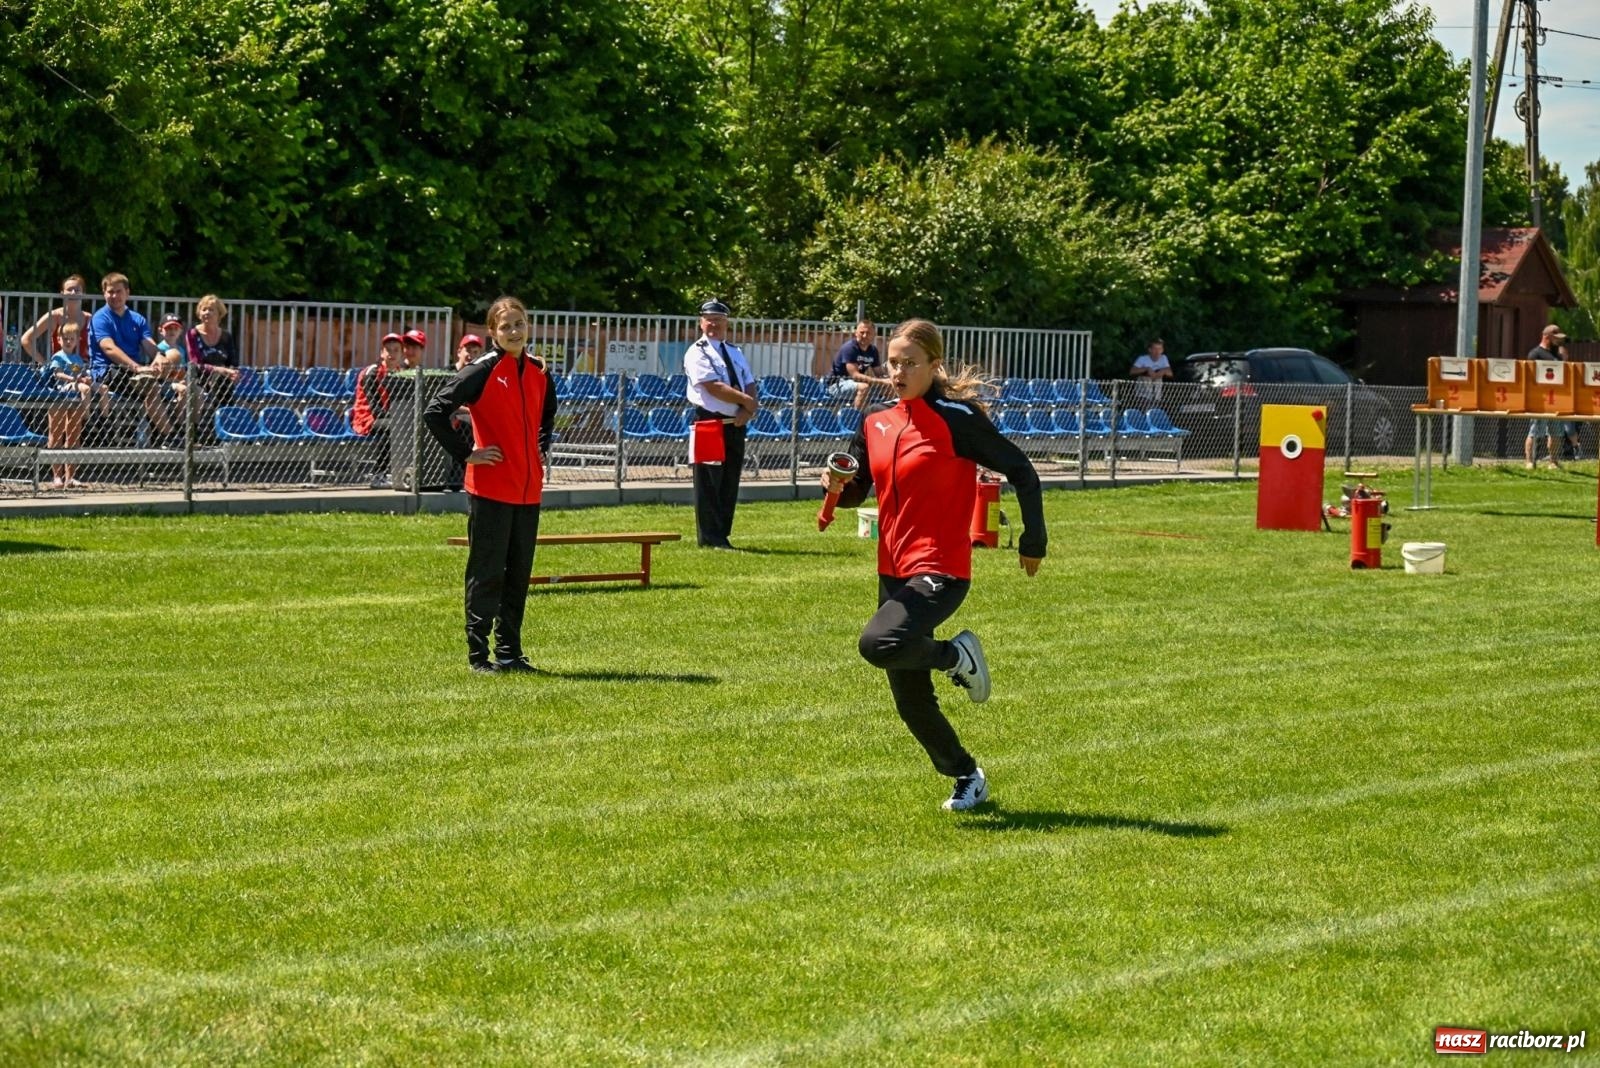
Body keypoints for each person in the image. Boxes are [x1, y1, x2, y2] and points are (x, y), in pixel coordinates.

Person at [826, 318, 1048, 812]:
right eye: (893, 362)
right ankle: (966, 775)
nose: (898, 371)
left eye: (910, 363)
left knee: (878, 643)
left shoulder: (957, 418)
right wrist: (836, 487)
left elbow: (1022, 471)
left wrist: (1034, 539)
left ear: (934, 366)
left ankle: (956, 658)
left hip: (941, 568)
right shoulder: (874, 421)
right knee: (908, 696)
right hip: (892, 568)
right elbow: (857, 492)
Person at [423, 296, 558, 673]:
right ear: (493, 332)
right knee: (487, 572)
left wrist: (541, 449)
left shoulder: (540, 370)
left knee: (518, 574)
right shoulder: (482, 369)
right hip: (490, 489)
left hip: (528, 490)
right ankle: (478, 655)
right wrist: (467, 453)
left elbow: (548, 416)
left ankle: (511, 653)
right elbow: (435, 411)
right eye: (506, 326)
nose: (514, 331)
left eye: (520, 323)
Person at [683, 299, 758, 549]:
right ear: (701, 322)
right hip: (709, 423)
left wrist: (747, 410)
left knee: (729, 482)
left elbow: (748, 381)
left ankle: (722, 534)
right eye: (709, 319)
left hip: (735, 424)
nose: (714, 323)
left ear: (727, 322)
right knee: (708, 483)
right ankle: (709, 537)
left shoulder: (734, 351)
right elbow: (713, 386)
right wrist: (746, 401)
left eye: (719, 319)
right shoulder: (697, 352)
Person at [88, 272, 176, 446]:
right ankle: (170, 437)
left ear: (127, 292)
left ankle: (172, 436)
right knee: (149, 386)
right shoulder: (100, 318)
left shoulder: (138, 319)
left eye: (118, 291)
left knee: (180, 386)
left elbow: (149, 344)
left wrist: (159, 357)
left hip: (133, 372)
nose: (114, 296)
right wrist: (137, 368)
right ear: (104, 293)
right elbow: (108, 348)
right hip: (106, 370)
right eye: (110, 292)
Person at [41, 321, 107, 488]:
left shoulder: (77, 358)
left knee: (73, 436)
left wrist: (85, 378)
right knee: (56, 434)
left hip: (76, 397)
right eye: (65, 338)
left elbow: (82, 373)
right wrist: (74, 379)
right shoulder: (58, 356)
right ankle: (57, 476)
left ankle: (70, 477)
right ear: (59, 340)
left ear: (77, 339)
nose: (68, 341)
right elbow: (58, 374)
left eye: (72, 338)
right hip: (60, 395)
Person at [353, 332, 404, 485]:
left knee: (405, 426)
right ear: (382, 353)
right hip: (367, 419)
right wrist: (397, 418)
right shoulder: (372, 372)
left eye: (396, 350)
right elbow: (375, 409)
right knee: (392, 427)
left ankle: (395, 471)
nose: (392, 354)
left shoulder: (400, 373)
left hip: (387, 418)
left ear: (401, 354)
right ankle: (378, 474)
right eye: (388, 350)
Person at [20, 274, 92, 366]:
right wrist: (44, 362)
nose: (73, 293)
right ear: (62, 293)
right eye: (69, 289)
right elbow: (25, 339)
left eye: (77, 290)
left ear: (83, 294)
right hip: (60, 368)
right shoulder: (54, 316)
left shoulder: (90, 318)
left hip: (82, 368)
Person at [1525, 324, 1565, 469]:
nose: (1559, 341)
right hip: (1540, 399)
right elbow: (1528, 377)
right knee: (1535, 430)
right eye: (1556, 338)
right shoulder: (1535, 354)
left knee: (1555, 432)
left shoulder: (1556, 355)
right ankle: (1529, 461)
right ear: (1547, 337)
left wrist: (1562, 355)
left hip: (1555, 399)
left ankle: (1553, 462)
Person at [825, 320, 887, 409]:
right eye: (862, 332)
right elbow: (855, 376)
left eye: (868, 333)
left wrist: (889, 381)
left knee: (889, 388)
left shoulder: (873, 350)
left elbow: (879, 373)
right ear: (856, 333)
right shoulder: (850, 348)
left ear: (874, 335)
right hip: (836, 385)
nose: (865, 336)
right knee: (864, 387)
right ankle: (858, 419)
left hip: (856, 384)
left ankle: (887, 418)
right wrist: (882, 381)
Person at [1129, 338, 1172, 402]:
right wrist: (1147, 369)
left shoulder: (1163, 358)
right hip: (1143, 395)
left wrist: (1163, 371)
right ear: (1150, 349)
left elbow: (1170, 373)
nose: (1157, 351)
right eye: (1155, 349)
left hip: (1157, 396)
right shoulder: (1142, 359)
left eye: (1160, 349)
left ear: (1162, 350)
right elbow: (1132, 371)